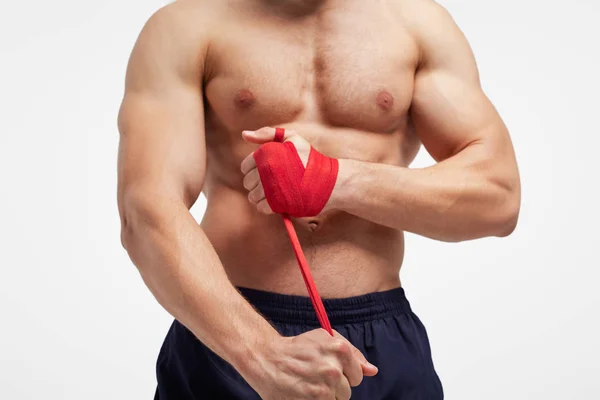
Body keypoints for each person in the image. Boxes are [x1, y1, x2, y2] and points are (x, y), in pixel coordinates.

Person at [117, 0, 520, 398]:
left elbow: (497, 198)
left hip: (381, 339)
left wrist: (335, 181)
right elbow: (147, 209)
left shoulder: (415, 23)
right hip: (230, 338)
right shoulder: (186, 26)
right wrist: (261, 354)